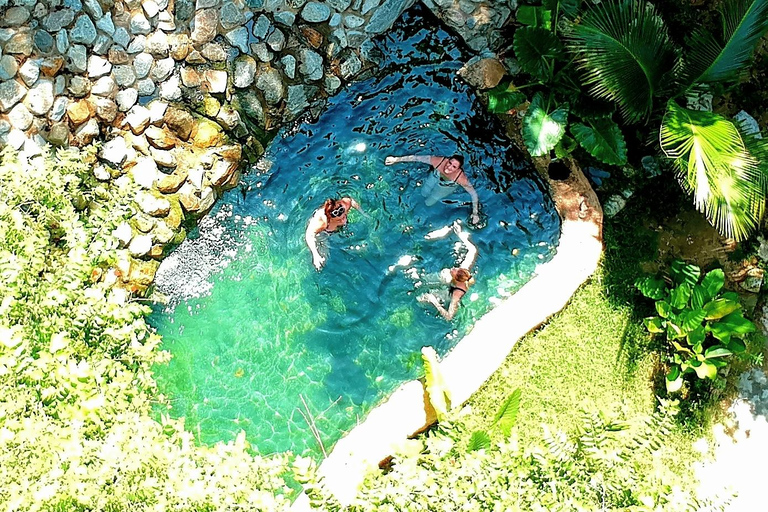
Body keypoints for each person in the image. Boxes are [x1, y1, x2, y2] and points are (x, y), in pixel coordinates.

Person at [384, 153, 481, 225]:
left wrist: (475, 213)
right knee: (423, 192)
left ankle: (416, 214)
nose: (449, 166)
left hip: (447, 185)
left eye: (454, 166)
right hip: (435, 175)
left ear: (458, 169)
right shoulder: (439, 162)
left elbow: (473, 194)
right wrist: (396, 159)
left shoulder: (460, 178)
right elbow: (417, 158)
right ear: (447, 160)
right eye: (449, 163)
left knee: (429, 202)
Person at [418, 220, 478, 321]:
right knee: (441, 275)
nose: (454, 268)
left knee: (421, 299)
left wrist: (435, 303)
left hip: (447, 293)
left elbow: (449, 317)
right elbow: (473, 250)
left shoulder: (457, 294)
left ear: (457, 279)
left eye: (455, 271)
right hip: (450, 284)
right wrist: (460, 235)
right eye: (457, 268)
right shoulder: (464, 269)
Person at [305, 197, 362, 270]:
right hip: (324, 233)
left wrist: (363, 213)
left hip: (335, 229)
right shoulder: (323, 222)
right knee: (322, 262)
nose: (343, 220)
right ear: (330, 218)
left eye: (344, 216)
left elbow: (351, 201)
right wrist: (315, 255)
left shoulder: (344, 205)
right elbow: (309, 234)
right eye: (339, 220)